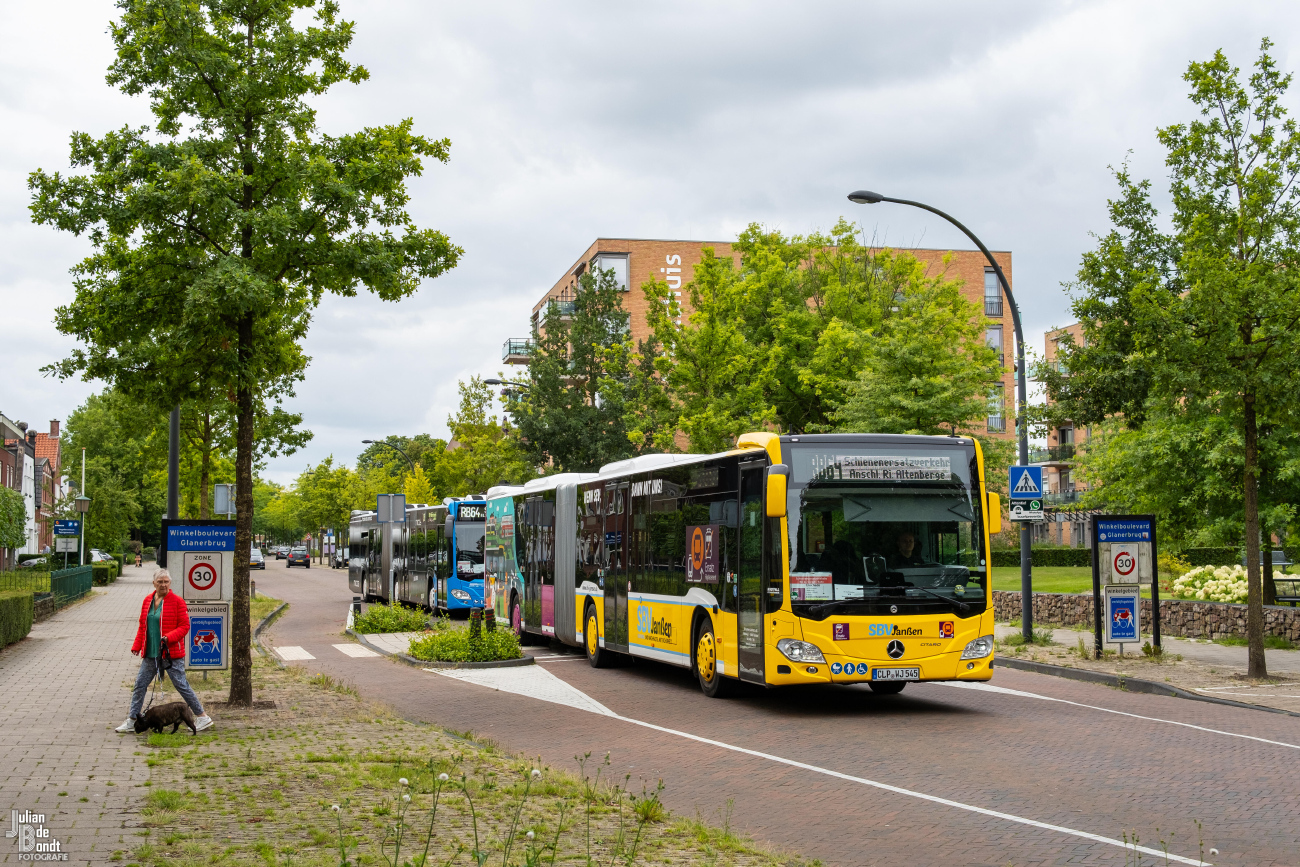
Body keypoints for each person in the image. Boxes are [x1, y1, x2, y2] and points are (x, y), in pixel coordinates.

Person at [115, 569, 214, 733]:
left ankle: (202, 717)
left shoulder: (177, 601)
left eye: (166, 581)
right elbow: (143, 626)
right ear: (154, 583)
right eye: (160, 581)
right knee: (140, 685)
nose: (163, 584)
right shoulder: (147, 601)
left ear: (170, 583)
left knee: (181, 685)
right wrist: (137, 645)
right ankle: (132, 720)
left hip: (171, 654)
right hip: (151, 653)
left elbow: (185, 626)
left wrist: (168, 637)